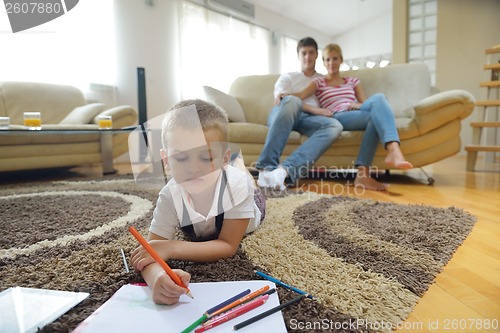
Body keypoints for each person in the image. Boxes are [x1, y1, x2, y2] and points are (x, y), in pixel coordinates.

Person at [131, 99, 265, 304]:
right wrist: (158, 277)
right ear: (166, 161)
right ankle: (235, 163)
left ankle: (239, 165)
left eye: (206, 158)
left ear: (222, 158)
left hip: (249, 203)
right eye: (182, 159)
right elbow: (150, 252)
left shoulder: (236, 187)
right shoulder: (170, 195)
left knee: (249, 183)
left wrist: (171, 247)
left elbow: (227, 245)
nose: (194, 169)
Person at [292, 43, 413, 191]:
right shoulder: (319, 82)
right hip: (337, 116)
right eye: (328, 60)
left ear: (341, 60)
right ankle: (393, 150)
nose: (331, 63)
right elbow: (301, 96)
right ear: (323, 62)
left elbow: (365, 103)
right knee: (378, 104)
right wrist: (284, 95)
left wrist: (358, 105)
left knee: (378, 103)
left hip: (357, 111)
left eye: (335, 58)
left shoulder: (352, 81)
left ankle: (363, 175)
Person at [256, 37, 343, 191]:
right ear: (298, 56)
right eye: (304, 53)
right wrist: (315, 109)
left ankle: (284, 171)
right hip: (284, 115)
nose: (307, 57)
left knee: (335, 126)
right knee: (292, 101)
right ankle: (266, 169)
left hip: (308, 120)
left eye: (311, 53)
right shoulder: (288, 77)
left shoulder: (323, 80)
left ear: (317, 55)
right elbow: (282, 99)